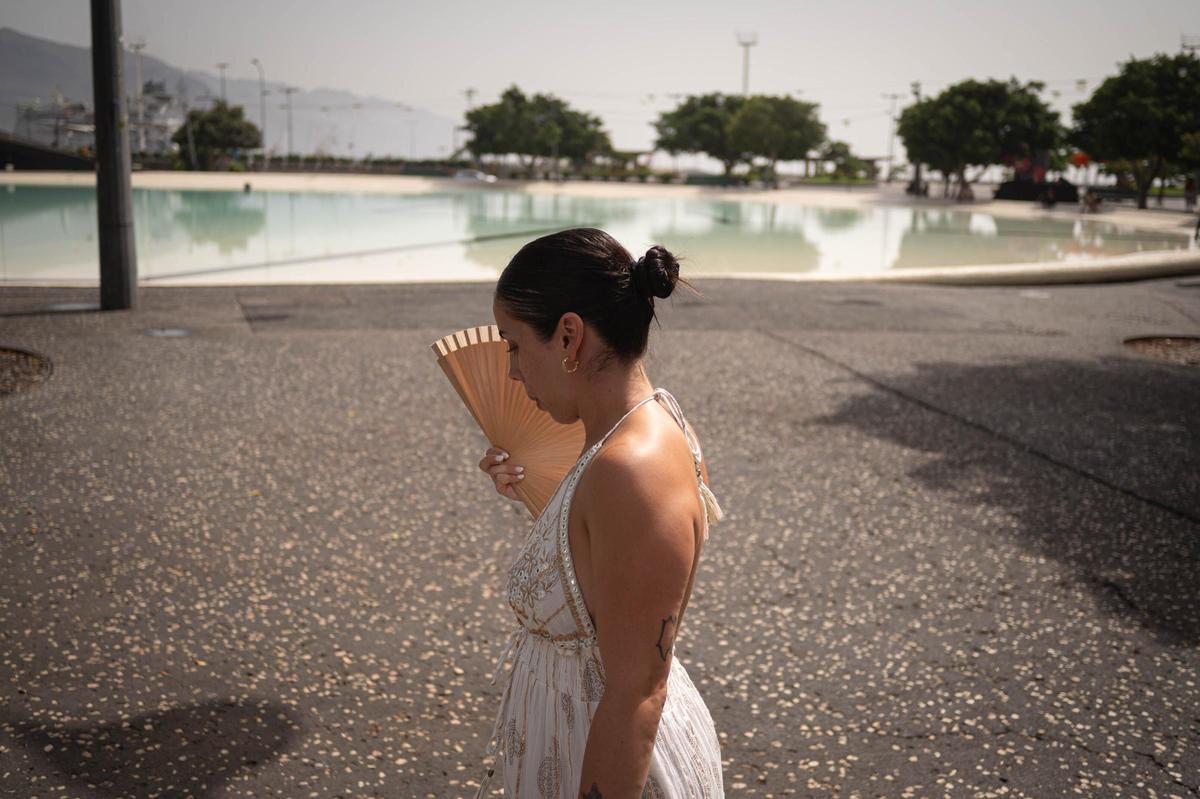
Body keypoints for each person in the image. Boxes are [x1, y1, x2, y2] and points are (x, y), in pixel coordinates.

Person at [474, 228, 725, 798]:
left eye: (514, 345)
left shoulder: (630, 470)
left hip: (614, 764)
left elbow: (638, 690)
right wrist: (537, 493)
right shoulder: (646, 426)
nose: (512, 372)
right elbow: (598, 580)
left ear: (568, 335)